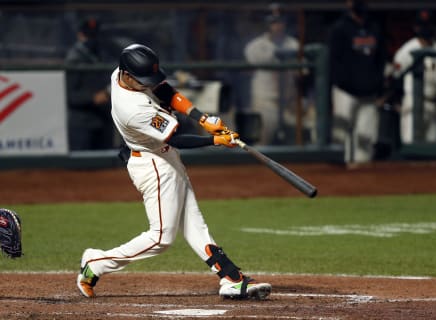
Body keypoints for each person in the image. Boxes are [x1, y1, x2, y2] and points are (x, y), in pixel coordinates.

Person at [76, 43, 272, 300]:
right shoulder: (133, 109)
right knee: (160, 239)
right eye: (143, 80)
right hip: (153, 165)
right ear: (126, 75)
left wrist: (202, 118)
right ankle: (96, 262)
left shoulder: (123, 73)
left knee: (194, 224)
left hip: (165, 156)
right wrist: (216, 140)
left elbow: (165, 91)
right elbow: (177, 138)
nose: (148, 84)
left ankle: (230, 277)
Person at [328, 0, 387, 163]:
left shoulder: (375, 27)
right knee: (341, 137)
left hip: (369, 92)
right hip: (345, 91)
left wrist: (379, 87)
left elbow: (381, 59)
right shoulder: (339, 29)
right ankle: (342, 173)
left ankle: (362, 176)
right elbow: (333, 62)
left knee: (366, 136)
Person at [244, 14, 300, 145]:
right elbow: (248, 71)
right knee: (263, 140)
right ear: (267, 25)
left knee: (291, 142)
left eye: (280, 22)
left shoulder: (293, 44)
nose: (277, 26)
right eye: (273, 23)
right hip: (265, 99)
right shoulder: (255, 46)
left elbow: (300, 73)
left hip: (288, 100)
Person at [392, 10, 436, 144]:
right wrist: (396, 100)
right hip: (413, 103)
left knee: (433, 151)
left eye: (429, 24)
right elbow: (395, 77)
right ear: (416, 27)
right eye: (422, 25)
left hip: (435, 105)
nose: (426, 28)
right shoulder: (407, 50)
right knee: (412, 145)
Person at [65, 17, 113, 150]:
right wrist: (92, 98)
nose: (93, 39)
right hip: (82, 124)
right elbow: (69, 95)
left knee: (106, 167)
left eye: (95, 35)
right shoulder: (74, 59)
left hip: (103, 120)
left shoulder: (102, 55)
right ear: (80, 35)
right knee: (80, 169)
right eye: (89, 35)